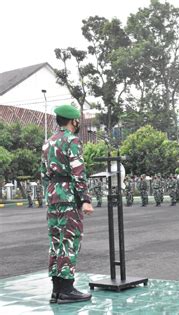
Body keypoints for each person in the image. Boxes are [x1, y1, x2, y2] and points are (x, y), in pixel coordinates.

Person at [41, 104, 93, 304]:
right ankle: (68, 289)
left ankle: (57, 289)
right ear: (74, 121)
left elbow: (44, 174)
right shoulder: (72, 140)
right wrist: (85, 199)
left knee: (56, 241)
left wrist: (50, 194)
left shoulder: (48, 143)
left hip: (53, 196)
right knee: (70, 240)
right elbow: (78, 172)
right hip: (69, 196)